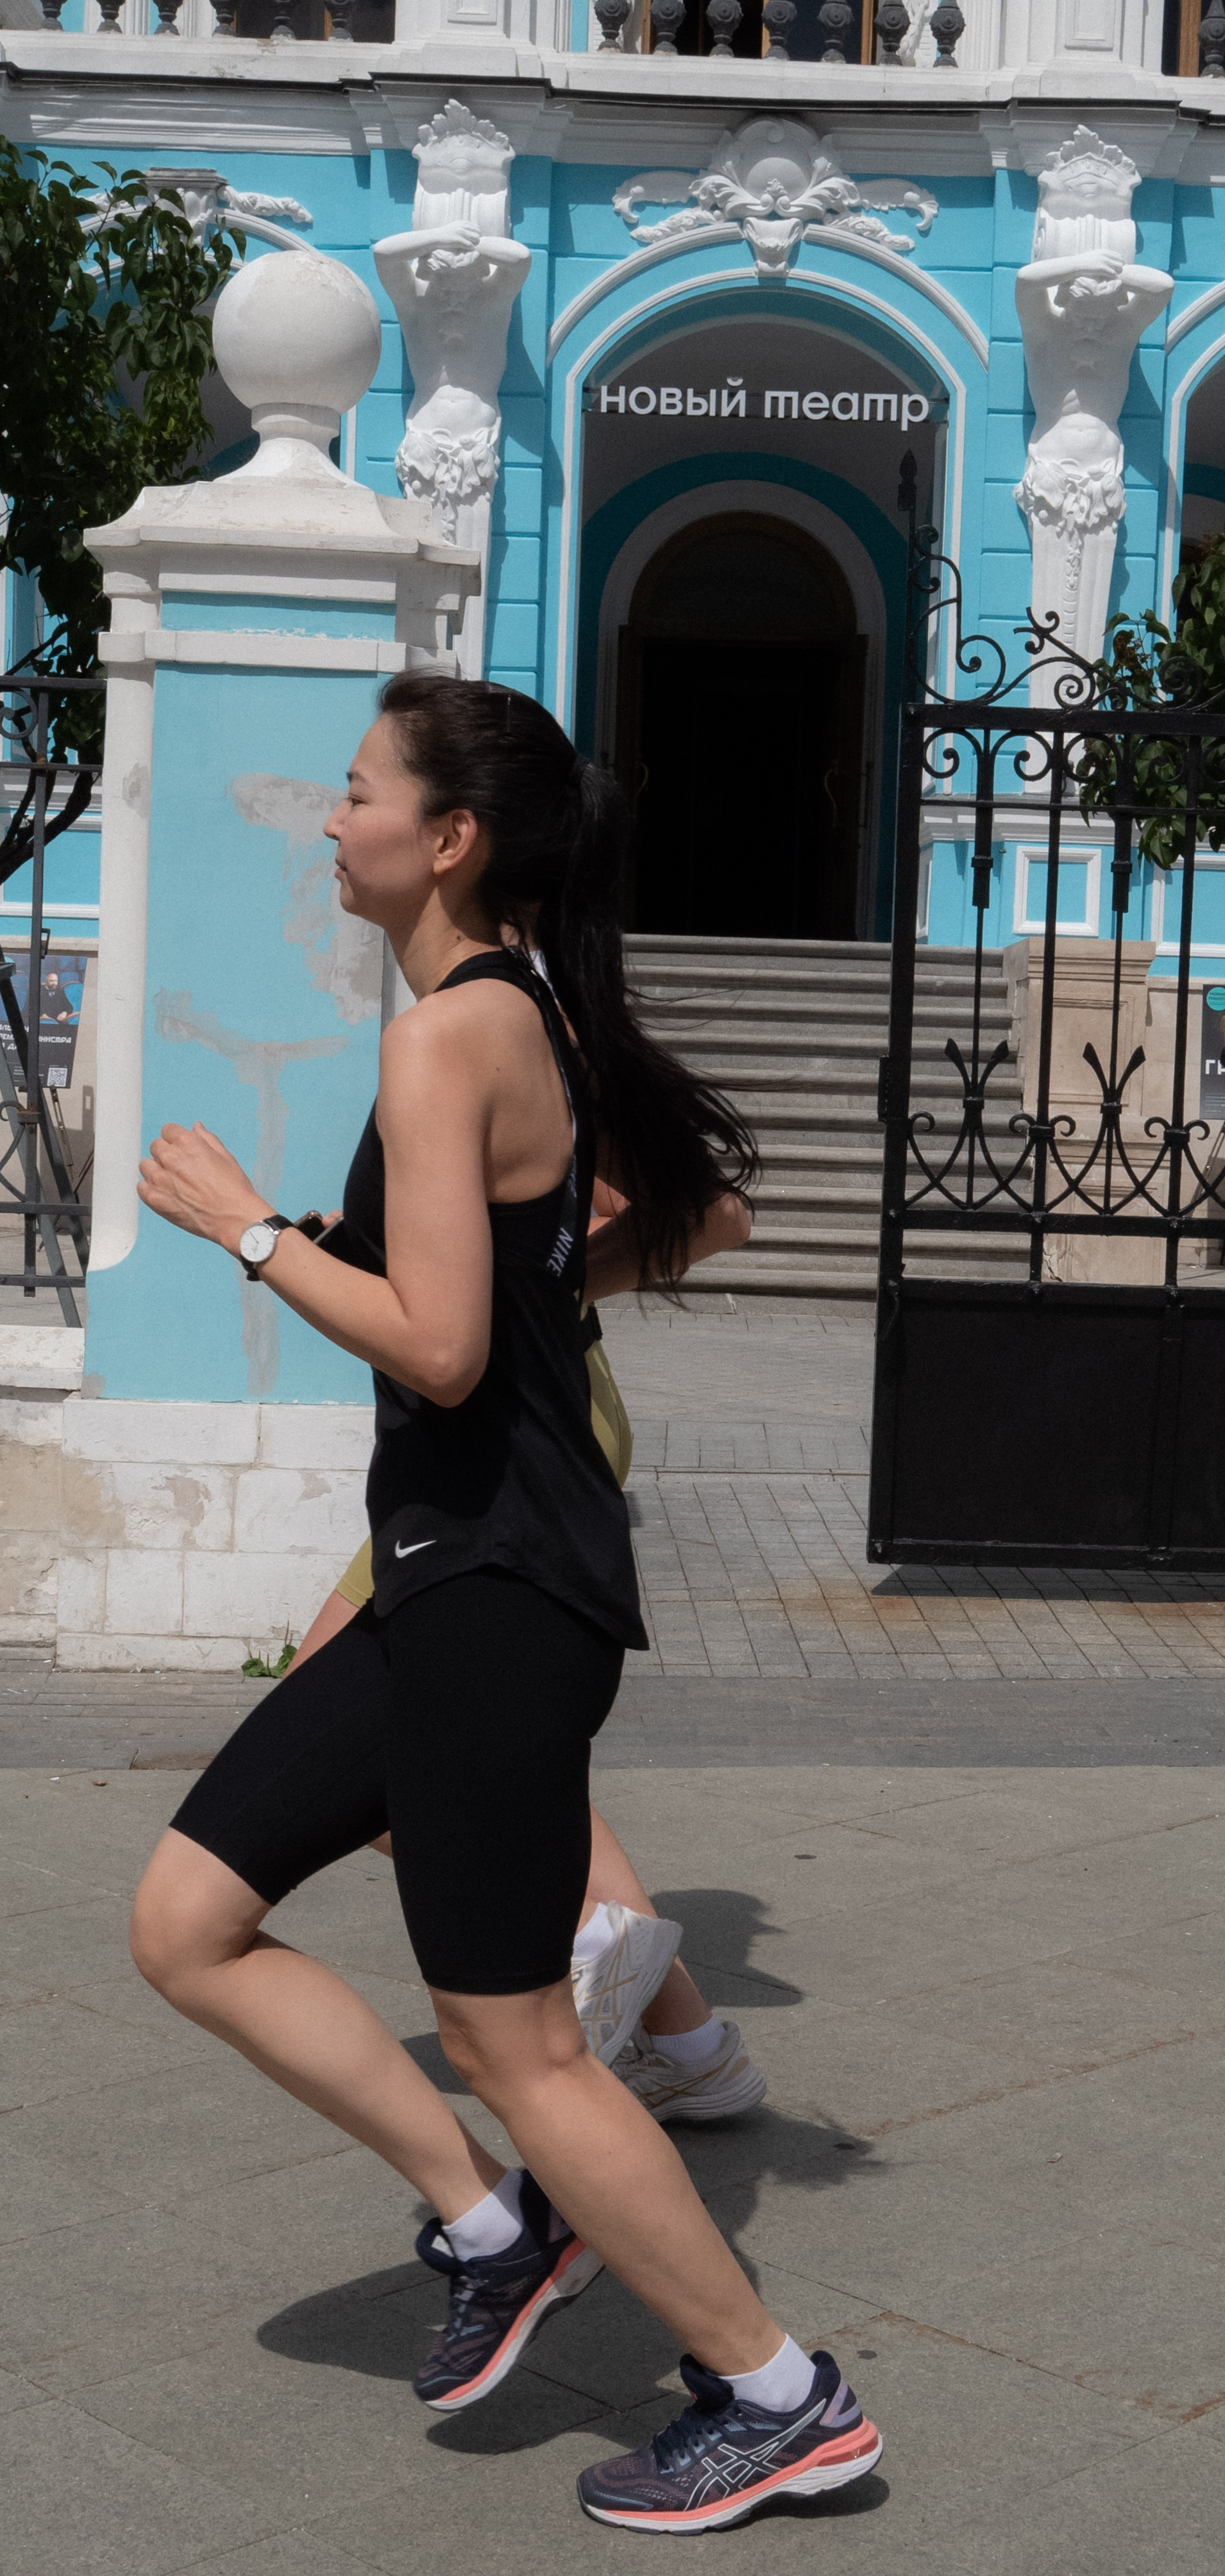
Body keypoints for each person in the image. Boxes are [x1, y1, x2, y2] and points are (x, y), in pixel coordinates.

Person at [128, 674, 881, 2532]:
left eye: (360, 791)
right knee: (186, 1920)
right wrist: (459, 1273)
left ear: (448, 838)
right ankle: (491, 2223)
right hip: (449, 1577)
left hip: (499, 1589)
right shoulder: (531, 1005)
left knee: (516, 2044)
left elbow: (446, 1350)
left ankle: (776, 2394)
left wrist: (250, 1230)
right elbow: (632, 1245)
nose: (332, 819)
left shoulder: (449, 1036)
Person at [291, 1527, 769, 2121]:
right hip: (508, 1494)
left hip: (463, 1497)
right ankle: (690, 2046)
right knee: (512, 1756)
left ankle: (591, 1939)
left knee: (312, 1733)